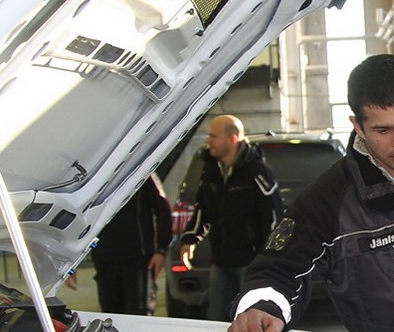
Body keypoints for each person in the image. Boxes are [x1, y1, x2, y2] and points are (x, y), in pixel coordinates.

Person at [227, 54, 394, 332]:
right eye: (383, 130)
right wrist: (262, 308)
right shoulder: (329, 198)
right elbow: (278, 271)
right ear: (358, 126)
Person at [180, 114, 283, 321]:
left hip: (250, 263)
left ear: (233, 138)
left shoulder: (257, 172)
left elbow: (273, 217)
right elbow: (202, 210)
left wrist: (267, 258)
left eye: (213, 136)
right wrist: (190, 239)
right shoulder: (209, 172)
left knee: (248, 319)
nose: (208, 141)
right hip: (220, 261)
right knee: (216, 318)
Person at [90, 174, 172, 315]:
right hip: (104, 258)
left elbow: (163, 209)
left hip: (137, 259)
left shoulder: (142, 170)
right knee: (111, 317)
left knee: (139, 314)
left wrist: (161, 250)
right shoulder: (95, 175)